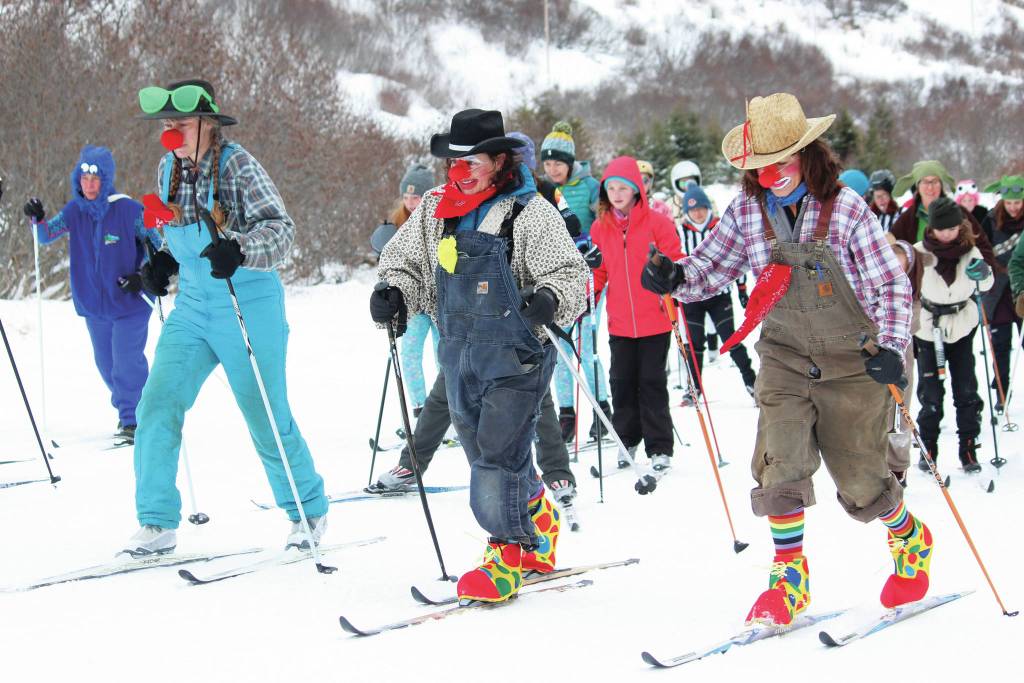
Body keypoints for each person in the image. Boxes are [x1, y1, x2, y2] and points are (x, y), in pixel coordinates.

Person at [641, 92, 933, 625]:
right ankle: (789, 576)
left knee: (862, 479)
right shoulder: (748, 211)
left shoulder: (845, 208)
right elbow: (712, 266)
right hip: (785, 356)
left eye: (782, 162)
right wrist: (676, 276)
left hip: (854, 362)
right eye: (761, 166)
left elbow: (890, 286)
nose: (772, 174)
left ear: (808, 155)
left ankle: (910, 539)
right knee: (779, 459)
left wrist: (890, 348)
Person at [372, 109, 587, 603]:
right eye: (453, 162)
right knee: (486, 457)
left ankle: (505, 556)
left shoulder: (528, 211)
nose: (459, 171)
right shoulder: (433, 209)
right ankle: (540, 516)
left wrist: (551, 297)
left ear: (498, 161)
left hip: (518, 355)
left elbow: (571, 274)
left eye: (471, 162)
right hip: (458, 350)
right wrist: (393, 293)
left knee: (495, 457)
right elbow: (401, 260)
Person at [124, 79, 328, 556]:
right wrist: (162, 263)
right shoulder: (167, 171)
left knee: (264, 414)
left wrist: (240, 249)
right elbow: (168, 231)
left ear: (207, 124)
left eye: (180, 121)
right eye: (166, 122)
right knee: (156, 403)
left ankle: (308, 510)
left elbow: (282, 230)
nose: (170, 130)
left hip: (247, 302)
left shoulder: (237, 165)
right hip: (194, 307)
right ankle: (156, 521)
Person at [23, 146, 155, 444]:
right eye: (84, 178)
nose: (89, 184)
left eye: (95, 178)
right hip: (95, 305)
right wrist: (36, 218)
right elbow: (45, 236)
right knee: (106, 365)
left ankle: (133, 421)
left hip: (130, 303)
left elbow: (157, 245)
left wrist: (143, 276)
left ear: (106, 180)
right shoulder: (74, 211)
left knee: (126, 363)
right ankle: (139, 409)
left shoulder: (130, 210)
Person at [590, 156, 683, 472]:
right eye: (611, 188)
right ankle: (627, 439)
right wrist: (589, 289)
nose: (616, 194)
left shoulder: (658, 224)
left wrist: (669, 274)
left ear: (636, 191)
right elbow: (600, 271)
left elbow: (677, 264)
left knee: (652, 382)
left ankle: (660, 447)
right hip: (619, 322)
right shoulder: (600, 228)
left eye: (623, 188)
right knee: (621, 382)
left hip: (654, 319)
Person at [540, 121, 610, 441]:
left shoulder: (590, 186)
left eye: (558, 163)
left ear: (570, 163)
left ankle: (603, 409)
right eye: (547, 163)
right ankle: (566, 413)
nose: (552, 169)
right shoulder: (542, 189)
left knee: (586, 345)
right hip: (556, 278)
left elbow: (605, 223)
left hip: (590, 275)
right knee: (559, 347)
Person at [913, 197, 993, 471]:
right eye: (941, 229)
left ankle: (968, 449)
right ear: (932, 228)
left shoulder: (970, 251)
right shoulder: (919, 252)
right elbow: (902, 283)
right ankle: (928, 448)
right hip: (927, 327)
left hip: (961, 325)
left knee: (966, 388)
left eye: (952, 228)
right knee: (930, 393)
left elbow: (987, 281)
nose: (947, 234)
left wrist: (983, 273)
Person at [676, 183, 757, 401]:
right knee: (693, 342)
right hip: (691, 296)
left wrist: (742, 288)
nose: (698, 213)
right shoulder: (679, 231)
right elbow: (675, 260)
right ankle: (694, 388)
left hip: (719, 294)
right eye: (692, 210)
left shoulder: (719, 227)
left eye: (701, 208)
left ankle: (752, 382)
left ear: (707, 207)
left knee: (730, 338)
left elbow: (734, 258)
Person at [890, 160, 998, 267]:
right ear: (918, 186)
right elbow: (894, 250)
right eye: (925, 182)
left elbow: (983, 245)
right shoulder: (907, 218)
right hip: (921, 281)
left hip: (959, 279)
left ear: (941, 185)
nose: (930, 187)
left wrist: (983, 268)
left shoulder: (959, 212)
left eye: (935, 181)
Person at [394, 163, 439, 415]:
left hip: (439, 301)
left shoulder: (440, 220)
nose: (411, 203)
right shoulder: (398, 223)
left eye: (416, 197)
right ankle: (420, 410)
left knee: (443, 357)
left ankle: (447, 411)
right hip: (413, 303)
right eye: (406, 197)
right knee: (409, 354)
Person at [979, 176, 1024, 408]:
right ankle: (1001, 392)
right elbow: (982, 250)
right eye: (1009, 203)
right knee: (1001, 345)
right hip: (998, 293)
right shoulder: (990, 220)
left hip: (1021, 289)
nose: (1014, 207)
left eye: (1018, 202)